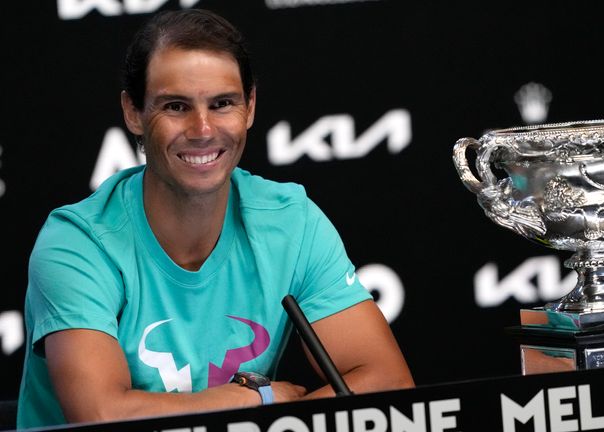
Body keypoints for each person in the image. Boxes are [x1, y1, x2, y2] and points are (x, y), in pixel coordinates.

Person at [16, 8, 414, 429]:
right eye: (176, 106)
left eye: (222, 103)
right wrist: (256, 400)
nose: (203, 129)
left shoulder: (291, 222)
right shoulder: (77, 244)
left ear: (251, 106)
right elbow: (100, 415)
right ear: (133, 112)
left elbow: (387, 381)